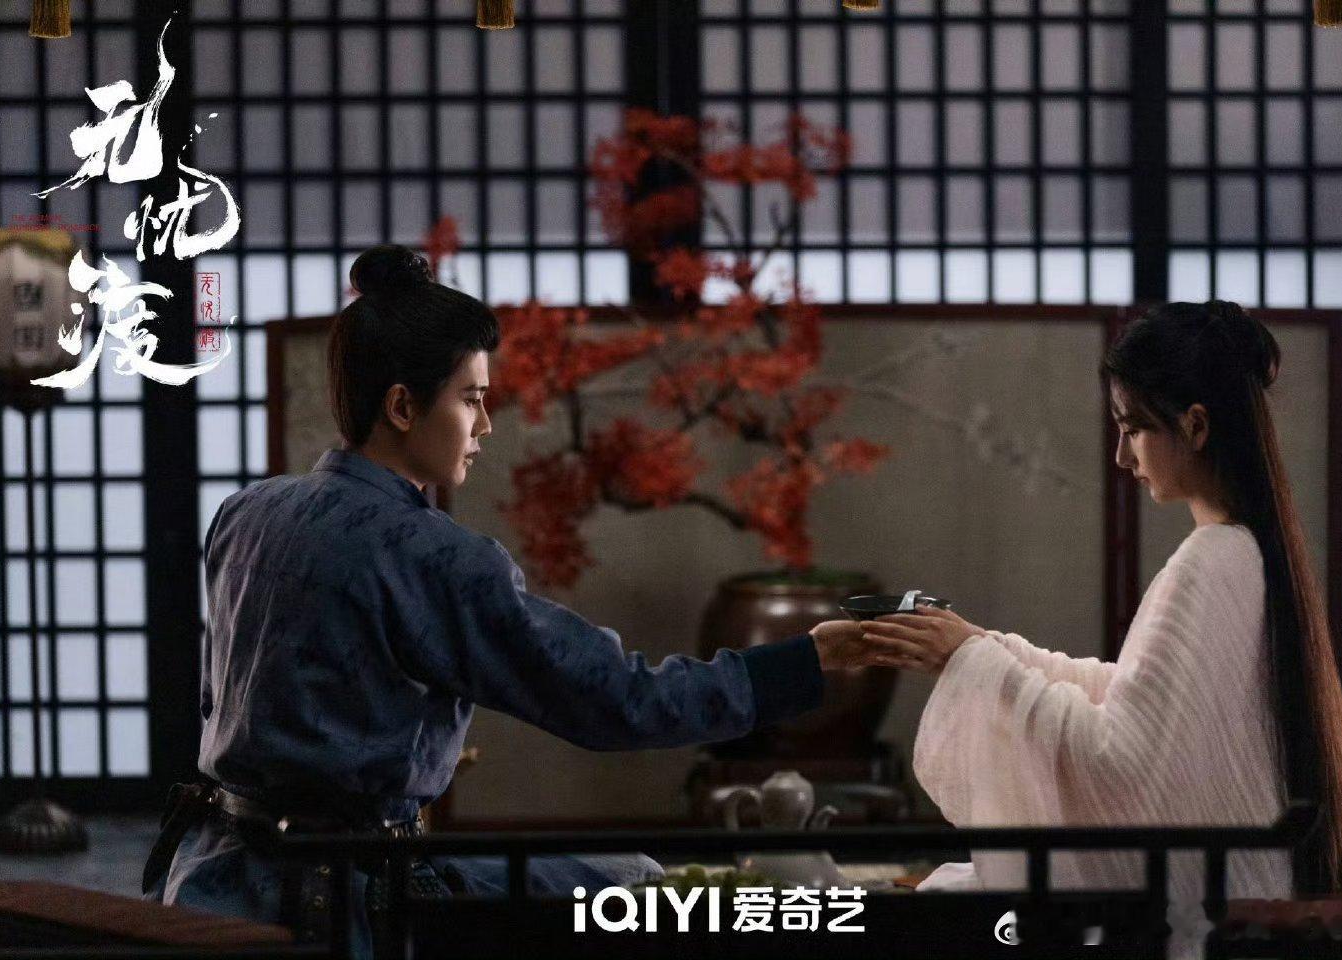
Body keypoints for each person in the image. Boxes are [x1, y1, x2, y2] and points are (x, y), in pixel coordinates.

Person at [141, 244, 871, 955]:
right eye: (471, 399)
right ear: (402, 405)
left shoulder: (248, 512)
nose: (485, 426)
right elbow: (619, 700)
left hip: (213, 876)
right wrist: (805, 662)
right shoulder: (433, 557)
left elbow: (235, 701)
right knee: (640, 888)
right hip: (347, 898)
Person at [830, 301, 1342, 958]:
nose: (1123, 456)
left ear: (1195, 425)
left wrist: (976, 666)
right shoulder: (1241, 550)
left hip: (1201, 906)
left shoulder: (1211, 560)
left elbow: (1122, 763)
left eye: (1133, 429)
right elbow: (1140, 697)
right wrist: (981, 648)